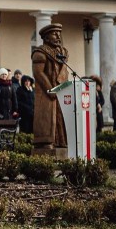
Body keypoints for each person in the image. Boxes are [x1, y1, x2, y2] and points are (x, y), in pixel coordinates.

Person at [32, 23, 69, 153]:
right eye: (54, 34)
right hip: (46, 93)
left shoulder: (62, 53)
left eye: (59, 33)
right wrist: (50, 89)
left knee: (61, 116)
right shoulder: (40, 53)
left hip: (62, 89)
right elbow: (38, 73)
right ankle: (46, 142)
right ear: (46, 38)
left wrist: (63, 87)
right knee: (48, 118)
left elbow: (65, 71)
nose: (58, 36)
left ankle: (61, 141)